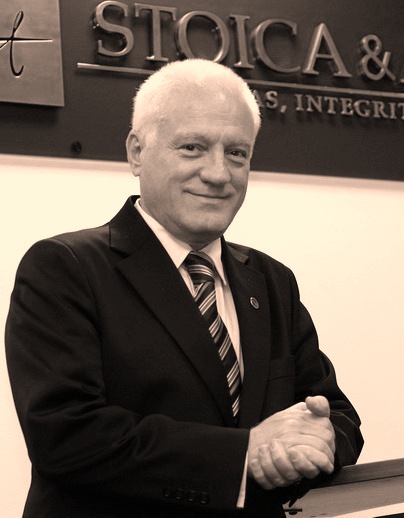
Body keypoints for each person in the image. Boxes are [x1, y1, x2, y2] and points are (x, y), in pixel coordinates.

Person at [5, 59, 363, 518]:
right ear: (137, 152)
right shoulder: (65, 267)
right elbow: (65, 435)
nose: (218, 173)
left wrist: (322, 438)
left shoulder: (272, 280)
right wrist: (244, 453)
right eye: (193, 147)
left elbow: (336, 412)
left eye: (237, 153)